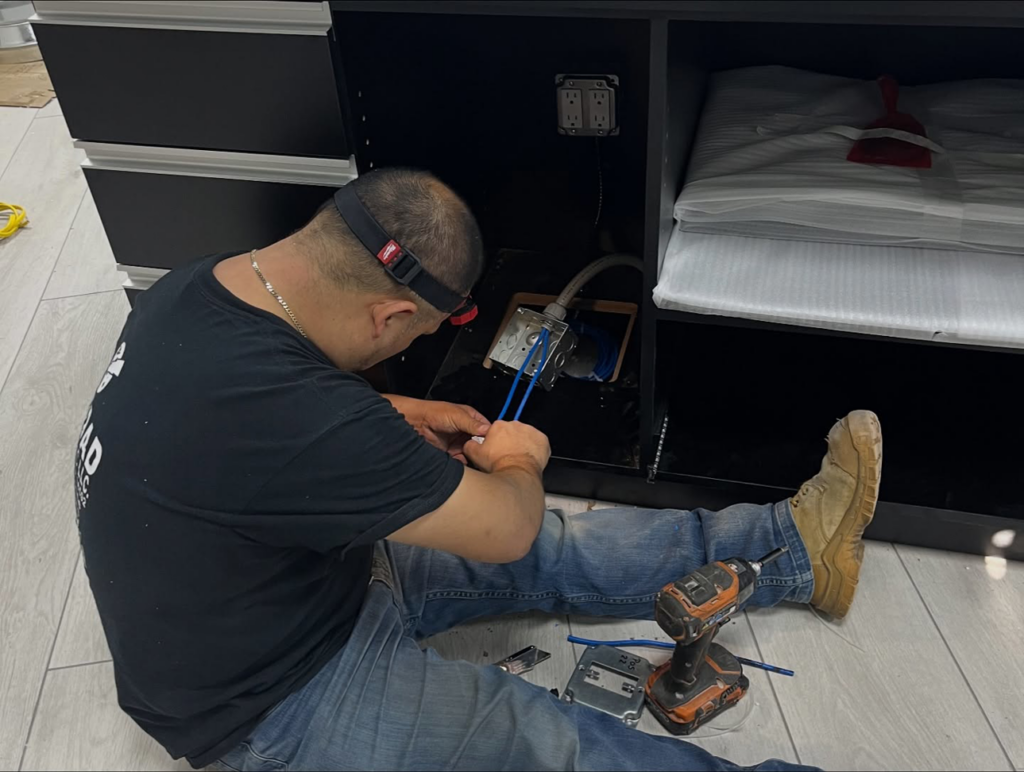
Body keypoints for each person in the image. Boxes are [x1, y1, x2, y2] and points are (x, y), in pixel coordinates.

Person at [75, 168, 882, 772]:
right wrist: (523, 462)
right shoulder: (302, 419)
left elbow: (257, 431)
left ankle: (795, 547)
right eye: (414, 334)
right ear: (391, 313)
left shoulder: (201, 287)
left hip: (296, 571)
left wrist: (389, 412)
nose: (411, 347)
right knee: (545, 741)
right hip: (270, 700)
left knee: (561, 550)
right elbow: (508, 528)